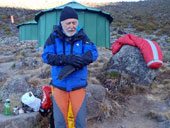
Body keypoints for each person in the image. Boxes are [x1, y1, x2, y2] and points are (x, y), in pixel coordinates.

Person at [42, 6, 98, 128]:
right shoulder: (53, 37)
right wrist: (66, 59)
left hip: (78, 85)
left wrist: (81, 61)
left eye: (74, 22)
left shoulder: (83, 36)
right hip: (59, 85)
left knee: (80, 122)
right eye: (68, 23)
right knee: (60, 122)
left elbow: (93, 53)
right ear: (62, 23)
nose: (71, 26)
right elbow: (46, 56)